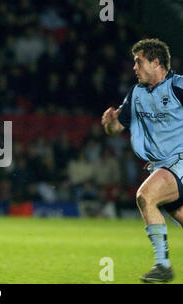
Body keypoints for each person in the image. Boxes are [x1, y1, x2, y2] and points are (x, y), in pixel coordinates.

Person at [101, 38, 183, 283]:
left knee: (145, 196)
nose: (134, 68)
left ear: (156, 62)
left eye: (139, 62)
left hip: (179, 161)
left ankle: (163, 266)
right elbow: (117, 127)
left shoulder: (178, 86)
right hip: (160, 166)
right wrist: (109, 123)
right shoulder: (136, 93)